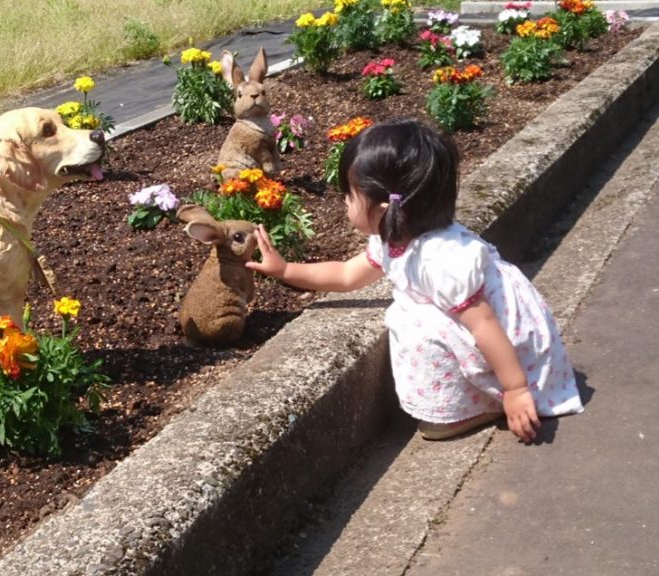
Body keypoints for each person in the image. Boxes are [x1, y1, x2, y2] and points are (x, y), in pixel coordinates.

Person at [246, 118, 583, 442]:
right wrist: (287, 270)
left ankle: (478, 403)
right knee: (412, 315)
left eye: (348, 197)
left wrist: (516, 390)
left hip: (504, 343)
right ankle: (475, 396)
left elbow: (485, 327)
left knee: (412, 324)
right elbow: (348, 274)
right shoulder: (395, 240)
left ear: (381, 211)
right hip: (480, 330)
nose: (344, 205)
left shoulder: (440, 261)